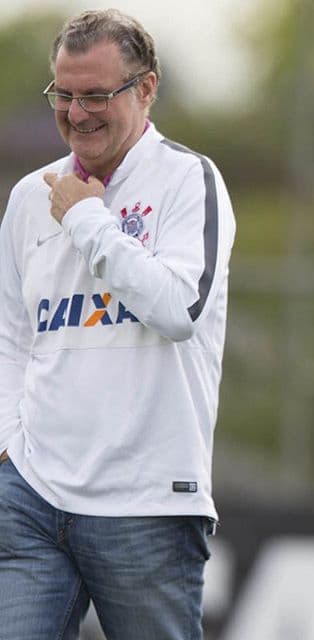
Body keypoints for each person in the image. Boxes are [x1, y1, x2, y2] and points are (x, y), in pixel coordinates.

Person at [0, 9, 235, 640]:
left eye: (97, 95)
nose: (78, 114)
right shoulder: (29, 198)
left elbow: (179, 310)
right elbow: (12, 334)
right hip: (31, 495)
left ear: (147, 88)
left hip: (146, 504)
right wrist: (7, 443)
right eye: (65, 95)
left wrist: (87, 219)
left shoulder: (190, 179)